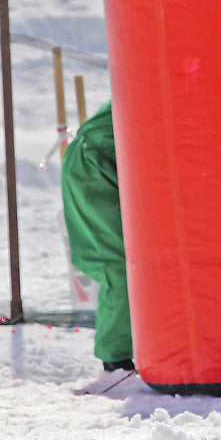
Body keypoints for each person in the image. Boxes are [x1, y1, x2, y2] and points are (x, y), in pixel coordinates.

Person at [61, 100, 134, 372]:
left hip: (112, 160)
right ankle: (115, 358)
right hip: (94, 165)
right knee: (118, 264)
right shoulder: (166, 72)